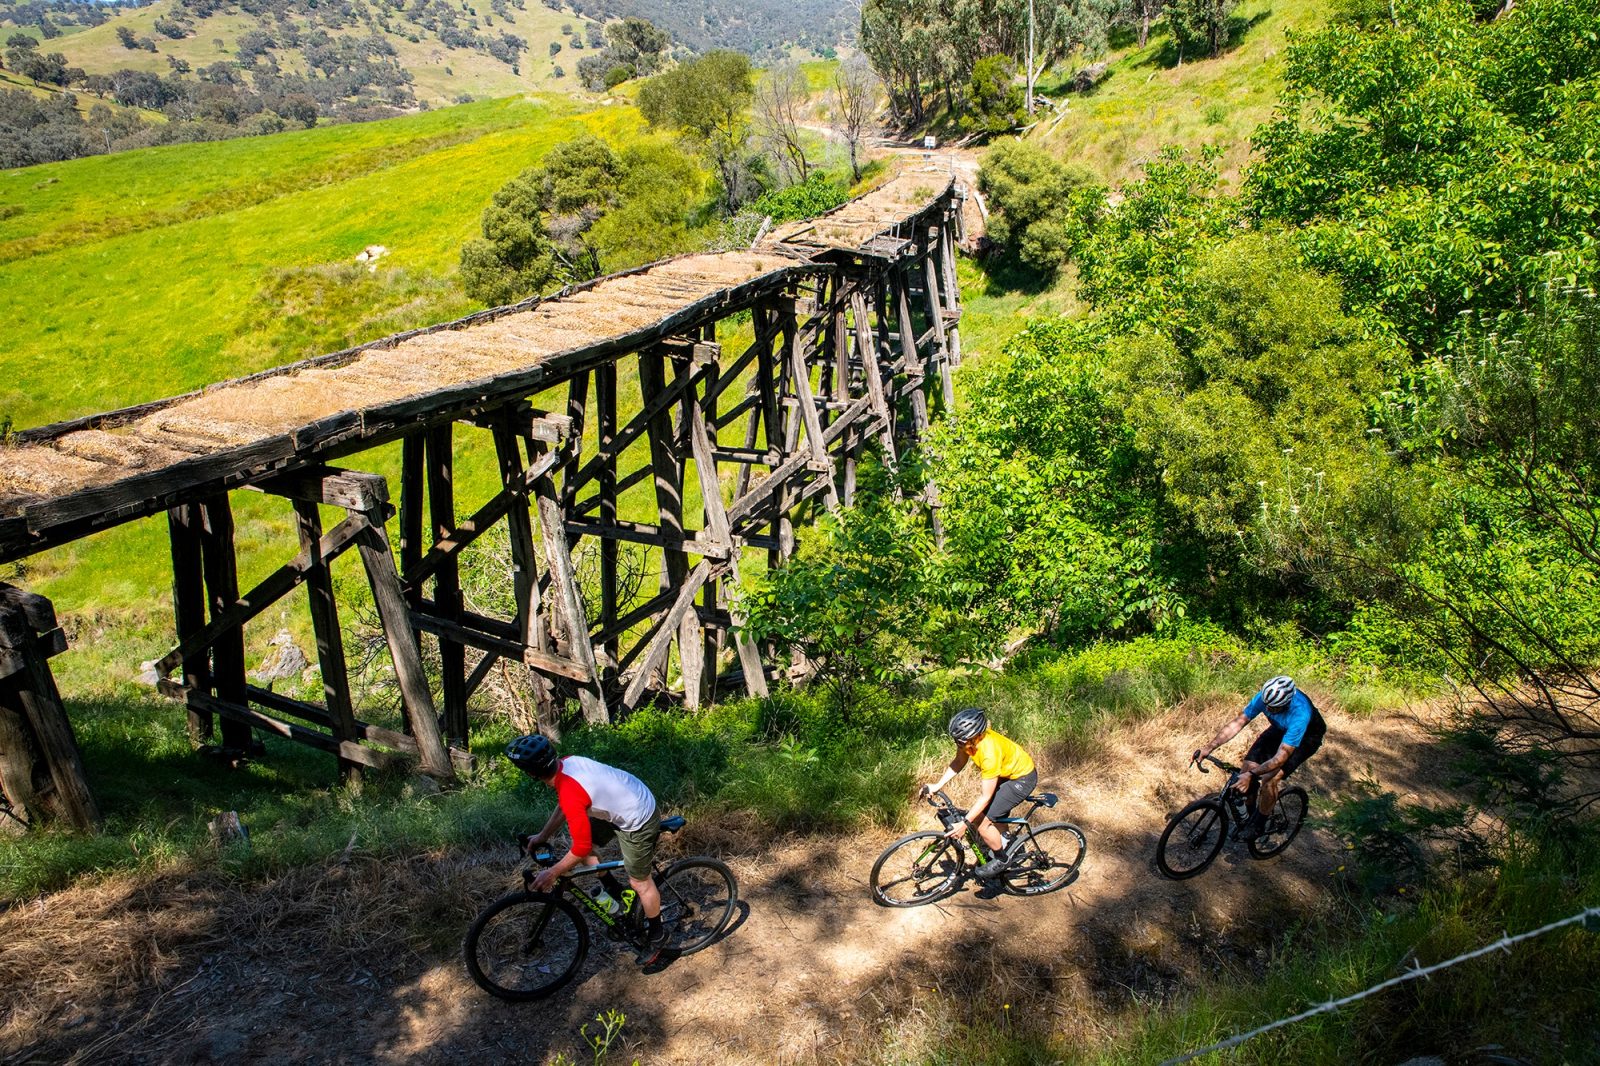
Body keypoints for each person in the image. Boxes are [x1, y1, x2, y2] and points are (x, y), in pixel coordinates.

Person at [505, 734, 670, 959]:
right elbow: (565, 806)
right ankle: (614, 888)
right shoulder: (566, 763)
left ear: (531, 773)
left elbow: (579, 844)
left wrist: (553, 872)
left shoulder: (569, 790)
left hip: (638, 817)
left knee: (640, 882)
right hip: (624, 799)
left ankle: (658, 935)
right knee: (586, 847)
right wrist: (543, 836)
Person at [1191, 675, 1326, 840]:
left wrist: (1252, 775)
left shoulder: (1300, 714)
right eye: (1266, 705)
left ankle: (1259, 825)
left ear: (1286, 703)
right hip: (1280, 729)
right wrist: (1209, 747)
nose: (1267, 709)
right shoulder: (1265, 697)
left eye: (1273, 708)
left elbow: (1280, 759)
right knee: (1247, 768)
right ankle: (1249, 817)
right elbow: (1238, 723)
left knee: (1270, 778)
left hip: (1307, 738)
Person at [918, 707, 1038, 879]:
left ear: (977, 736)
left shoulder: (988, 753)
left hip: (1022, 779)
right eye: (956, 740)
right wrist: (937, 785)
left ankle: (1002, 859)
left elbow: (985, 796)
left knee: (982, 822)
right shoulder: (967, 740)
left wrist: (964, 824)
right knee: (988, 815)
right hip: (1005, 773)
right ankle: (1005, 839)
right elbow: (959, 761)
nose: (959, 744)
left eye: (962, 741)